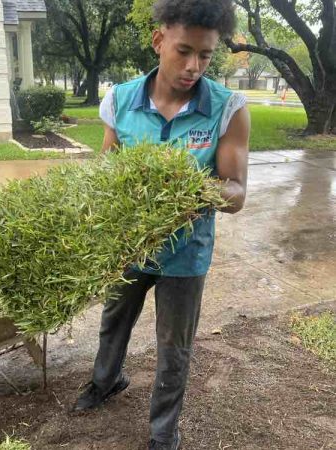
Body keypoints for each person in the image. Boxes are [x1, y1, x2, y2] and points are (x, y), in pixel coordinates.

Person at [73, 0, 250, 449]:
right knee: (114, 320)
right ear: (158, 41)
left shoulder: (228, 108)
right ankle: (105, 381)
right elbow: (106, 167)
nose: (194, 66)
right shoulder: (121, 99)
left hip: (186, 253)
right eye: (184, 51)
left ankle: (162, 432)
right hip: (131, 246)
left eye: (206, 55)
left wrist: (192, 192)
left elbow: (236, 192)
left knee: (174, 348)